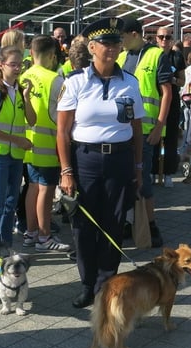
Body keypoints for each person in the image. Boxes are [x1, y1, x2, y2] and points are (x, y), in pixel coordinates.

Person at [57, 17, 145, 309]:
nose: (112, 48)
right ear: (91, 47)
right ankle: (86, 283)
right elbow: (62, 130)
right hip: (86, 160)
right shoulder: (76, 81)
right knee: (83, 225)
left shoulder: (130, 83)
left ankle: (106, 283)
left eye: (116, 43)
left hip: (119, 159)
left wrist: (138, 166)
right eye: (105, 44)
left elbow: (136, 129)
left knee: (114, 223)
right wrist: (66, 170)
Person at [0, 46, 36, 269]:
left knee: (10, 203)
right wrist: (17, 140)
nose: (18, 68)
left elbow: (32, 120)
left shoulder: (18, 91)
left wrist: (27, 97)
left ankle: (4, 246)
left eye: (20, 64)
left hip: (15, 155)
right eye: (13, 64)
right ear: (1, 65)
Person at [118, 17, 172, 247]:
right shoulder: (121, 57)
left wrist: (160, 126)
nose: (119, 41)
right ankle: (129, 224)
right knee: (124, 180)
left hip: (147, 130)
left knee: (144, 182)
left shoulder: (156, 55)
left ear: (134, 34)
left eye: (122, 36)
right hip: (122, 130)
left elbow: (167, 93)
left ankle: (151, 226)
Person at [20, 35, 70, 252]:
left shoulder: (23, 76)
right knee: (46, 191)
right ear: (52, 55)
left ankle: (30, 232)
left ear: (31, 53)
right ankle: (44, 236)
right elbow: (61, 116)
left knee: (32, 187)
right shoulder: (55, 80)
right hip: (48, 144)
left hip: (27, 143)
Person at [152, 26, 185, 188]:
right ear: (156, 39)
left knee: (171, 138)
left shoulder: (176, 56)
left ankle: (168, 173)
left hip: (172, 101)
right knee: (153, 137)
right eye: (161, 37)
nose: (164, 40)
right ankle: (152, 170)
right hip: (155, 101)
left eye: (167, 37)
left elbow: (182, 81)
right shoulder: (151, 55)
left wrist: (169, 80)